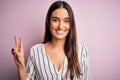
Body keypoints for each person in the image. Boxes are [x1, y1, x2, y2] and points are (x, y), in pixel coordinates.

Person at [11, 1, 90, 80]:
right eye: (55, 20)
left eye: (66, 21)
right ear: (49, 22)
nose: (60, 26)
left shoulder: (82, 51)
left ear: (71, 24)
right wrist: (20, 66)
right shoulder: (35, 52)